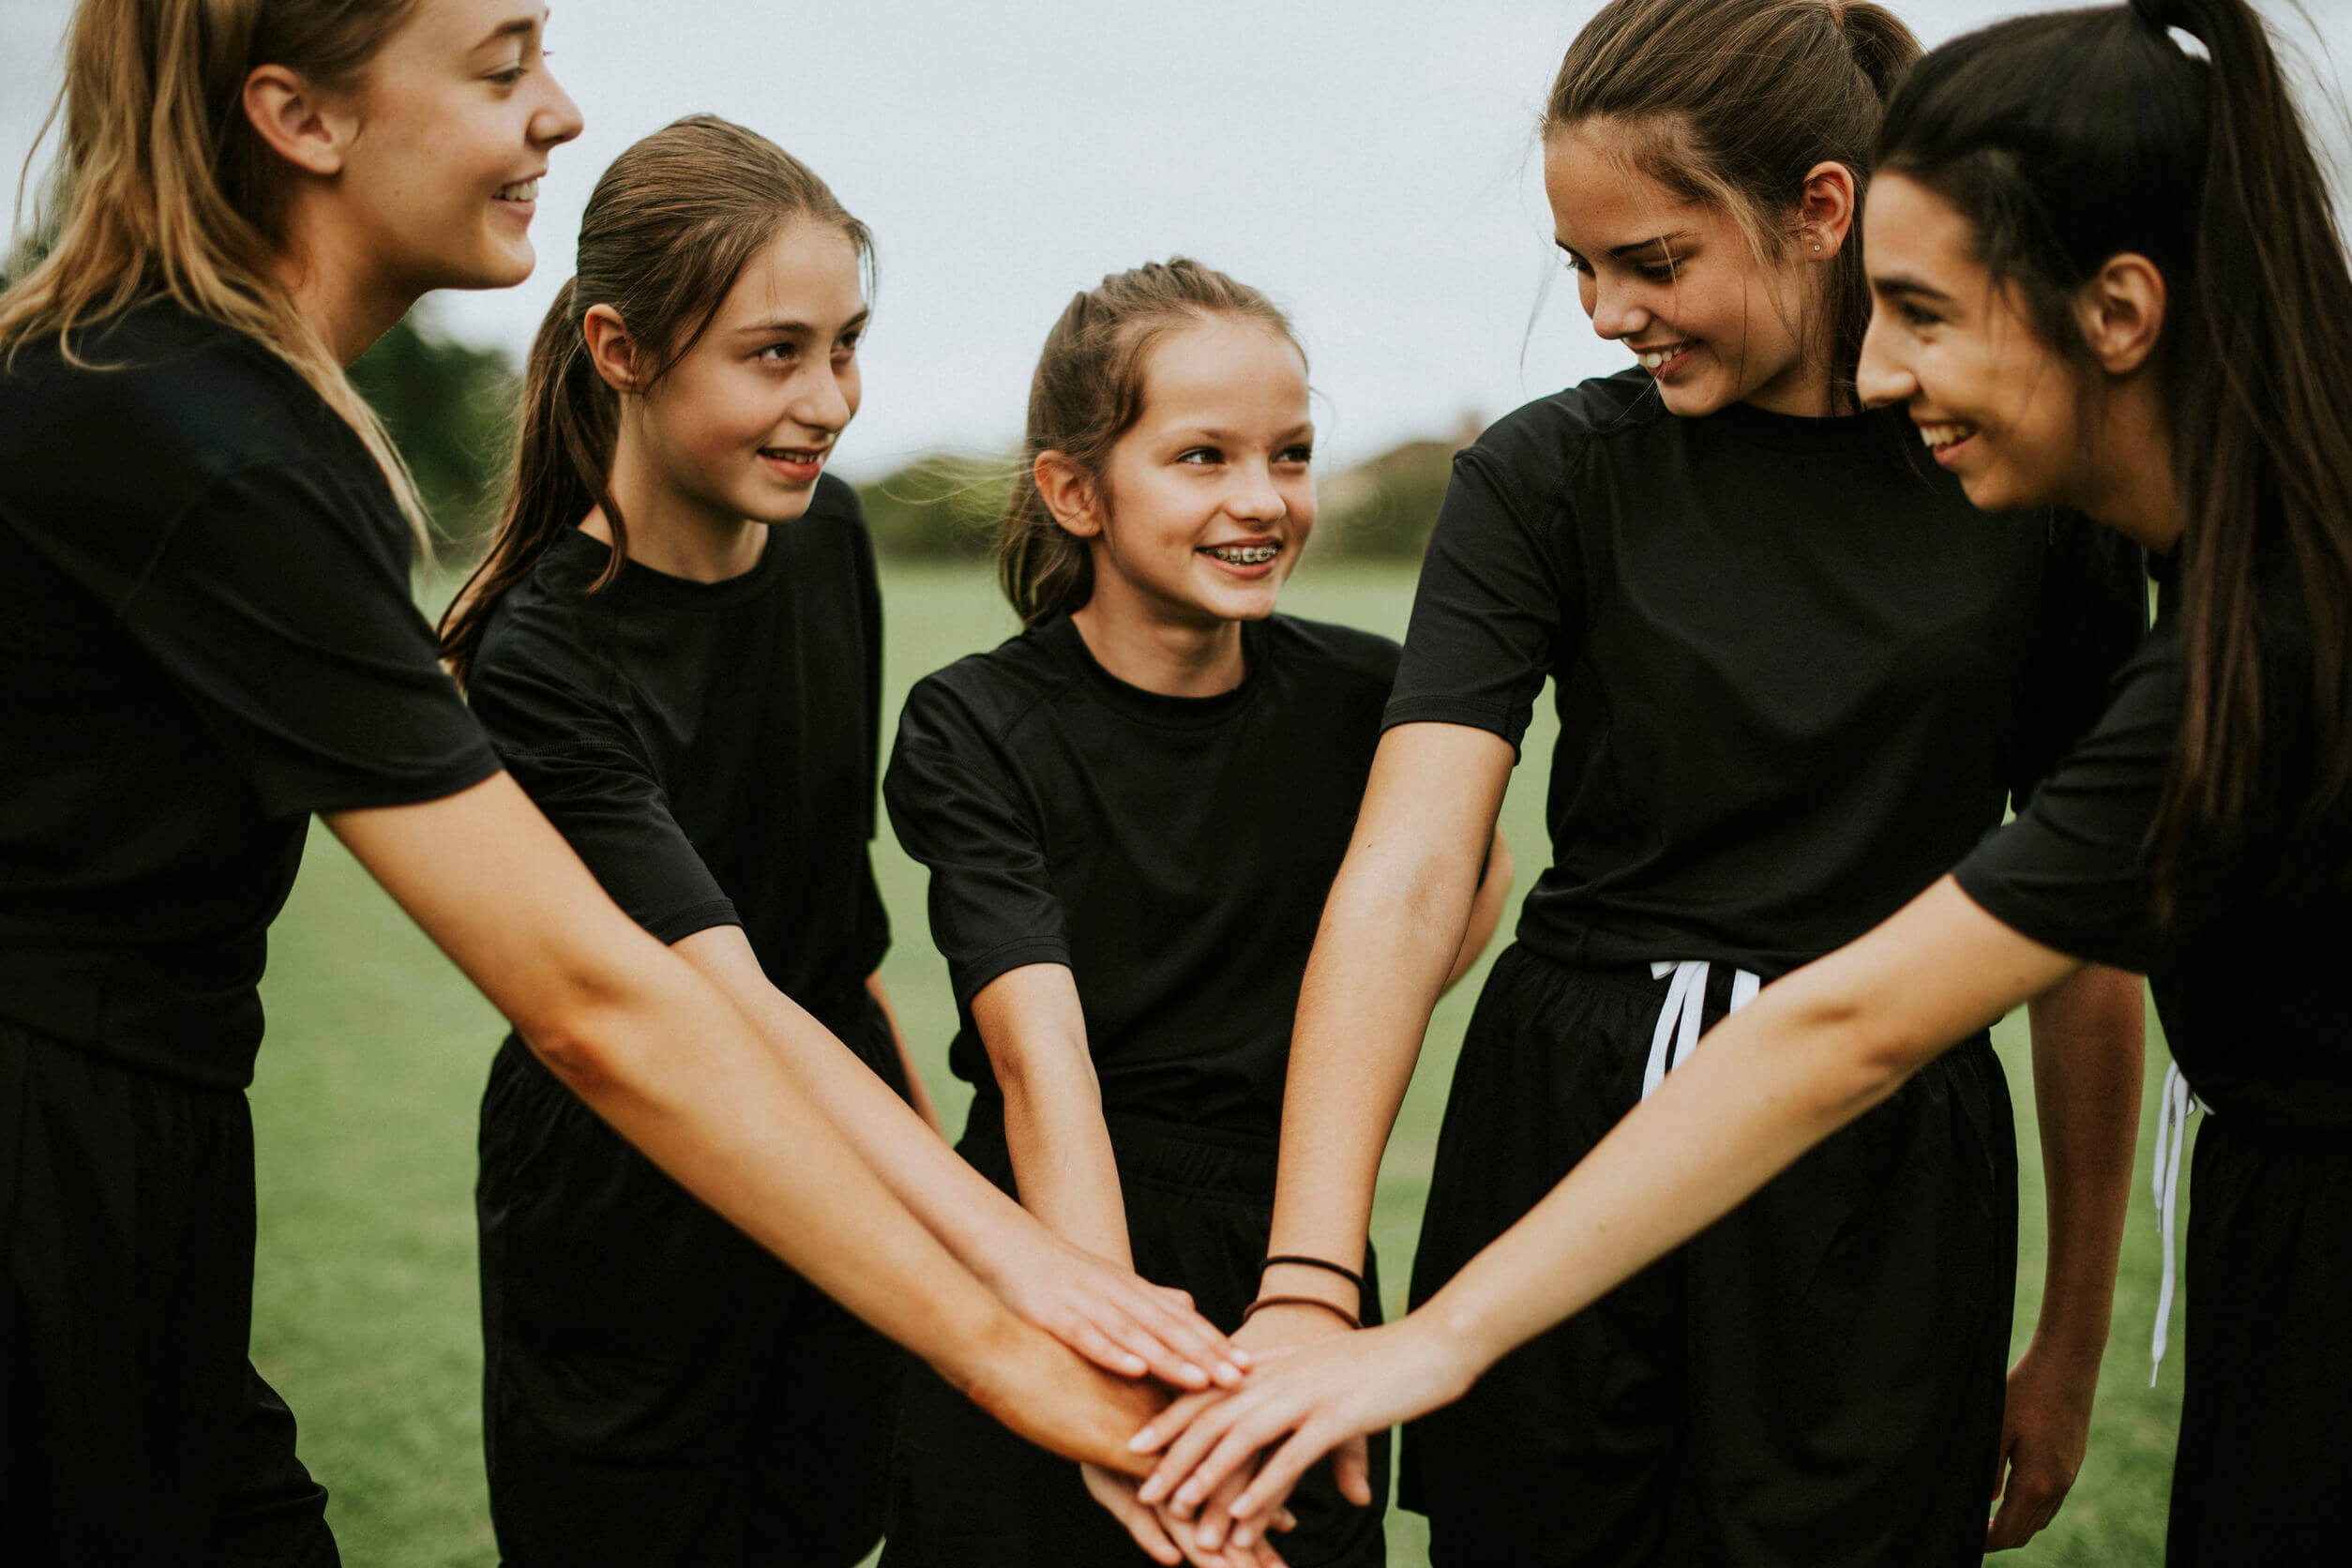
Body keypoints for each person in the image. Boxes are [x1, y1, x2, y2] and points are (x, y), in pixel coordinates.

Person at [1131, 1, 2352, 1562]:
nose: (1889, 372)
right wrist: (1317, 1279)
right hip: (1587, 1122)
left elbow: (1904, 1008)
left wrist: (2067, 1333)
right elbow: (1411, 868)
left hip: (1905, 1177)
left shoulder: (2173, 582)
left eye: (1651, 260)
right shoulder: (1560, 473)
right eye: (1580, 266)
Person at [0, 5, 1218, 1560]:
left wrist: (1007, 1265)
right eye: (502, 66)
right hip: (59, 1168)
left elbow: (806, 953)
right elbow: (604, 1001)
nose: (561, 111)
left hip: (149, 1169)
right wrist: (1015, 1324)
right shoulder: (201, 441)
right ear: (301, 118)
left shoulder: (202, 411)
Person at [433, 118, 1234, 1568]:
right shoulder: (541, 657)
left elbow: (831, 940)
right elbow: (723, 1002)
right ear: (620, 349)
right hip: (631, 1205)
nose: (826, 403)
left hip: (841, 1136)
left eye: (845, 347)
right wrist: (1017, 1268)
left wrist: (945, 1214)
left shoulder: (828, 536)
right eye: (773, 355)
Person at [876, 258, 1514, 1568]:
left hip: (1294, 1246)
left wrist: (1310, 1056)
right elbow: (1038, 1063)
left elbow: (1472, 876)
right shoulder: (975, 723)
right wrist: (1118, 1350)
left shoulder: (1364, 700)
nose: (1262, 498)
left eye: (1291, 455)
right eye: (1202, 457)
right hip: (1060, 1245)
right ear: (1075, 493)